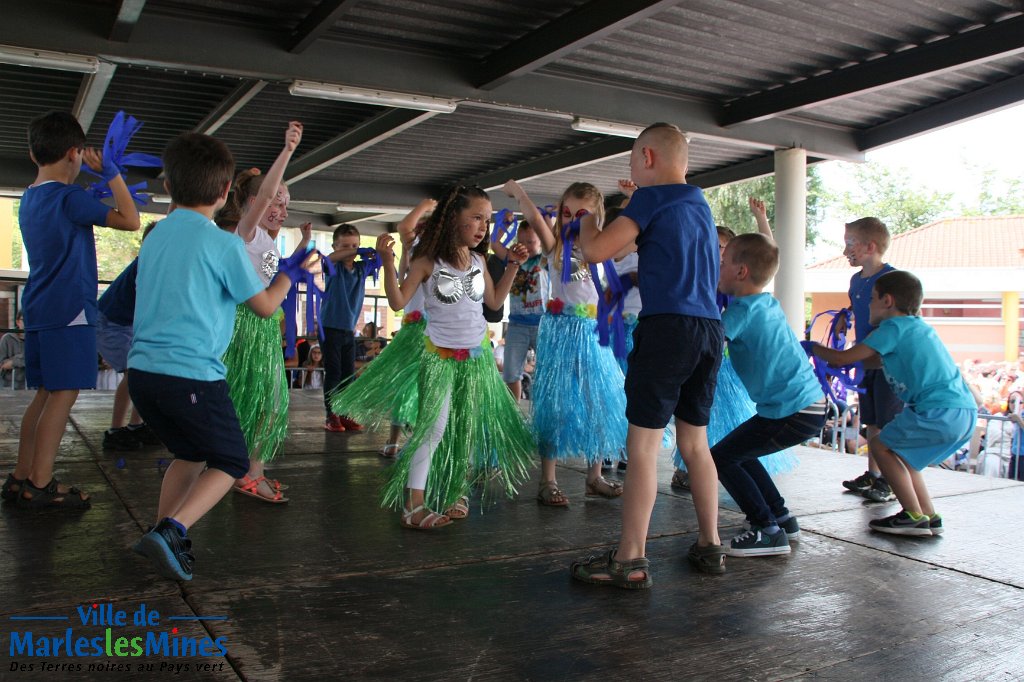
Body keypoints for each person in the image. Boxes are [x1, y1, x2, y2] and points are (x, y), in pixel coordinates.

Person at [127, 131, 310, 580]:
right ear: (227, 191)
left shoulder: (155, 237)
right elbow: (265, 307)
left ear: (168, 186)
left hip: (142, 375)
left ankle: (166, 534)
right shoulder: (224, 244)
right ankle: (172, 530)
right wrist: (289, 277)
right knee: (230, 460)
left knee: (189, 454)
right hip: (190, 375)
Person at [570, 122, 724, 588]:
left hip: (667, 330)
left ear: (648, 158)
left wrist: (588, 217)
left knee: (642, 446)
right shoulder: (697, 203)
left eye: (634, 159)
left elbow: (595, 250)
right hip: (708, 330)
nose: (632, 170)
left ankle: (630, 558)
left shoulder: (651, 200)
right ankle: (710, 543)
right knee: (695, 444)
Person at [369, 185, 535, 529]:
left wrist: (513, 267)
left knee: (464, 428)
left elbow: (492, 303)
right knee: (434, 429)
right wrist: (387, 262)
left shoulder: (477, 260)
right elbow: (399, 302)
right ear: (452, 218)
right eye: (476, 218)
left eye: (486, 220)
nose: (482, 227)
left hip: (476, 361)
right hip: (439, 359)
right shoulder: (427, 261)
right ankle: (414, 505)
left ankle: (456, 491)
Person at [3, 111, 140, 508]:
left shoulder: (29, 198)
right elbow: (131, 221)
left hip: (41, 308)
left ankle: (22, 474)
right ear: (75, 153)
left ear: (33, 154)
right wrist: (112, 174)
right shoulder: (69, 198)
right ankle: (41, 484)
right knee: (62, 397)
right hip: (71, 311)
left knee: (45, 395)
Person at [808, 271, 976, 536]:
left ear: (887, 301)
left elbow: (845, 358)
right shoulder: (917, 327)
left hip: (935, 409)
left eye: (872, 298)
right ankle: (928, 514)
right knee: (906, 459)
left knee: (880, 445)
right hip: (962, 411)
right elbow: (869, 361)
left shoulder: (892, 328)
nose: (867, 305)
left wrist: (811, 347)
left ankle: (912, 516)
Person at [503, 179, 627, 506]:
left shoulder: (604, 249)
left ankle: (594, 475)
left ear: (596, 216)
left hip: (592, 333)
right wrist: (519, 194)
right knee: (555, 405)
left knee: (598, 403)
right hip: (559, 331)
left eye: (581, 213)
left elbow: (637, 228)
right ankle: (548, 479)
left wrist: (636, 197)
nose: (572, 219)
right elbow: (533, 217)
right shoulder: (555, 246)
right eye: (567, 212)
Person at [712, 233, 826, 556]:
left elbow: (710, 349)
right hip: (808, 405)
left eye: (723, 263)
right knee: (737, 453)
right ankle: (780, 516)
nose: (717, 268)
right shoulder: (767, 303)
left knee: (720, 458)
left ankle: (767, 530)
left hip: (791, 410)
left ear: (741, 272)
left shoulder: (741, 312)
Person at [215, 122, 309, 503]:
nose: (281, 208)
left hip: (264, 327)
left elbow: (279, 273)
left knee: (266, 403)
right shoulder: (246, 231)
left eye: (286, 203)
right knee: (257, 402)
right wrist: (286, 151)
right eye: (275, 200)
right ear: (252, 203)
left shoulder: (267, 240)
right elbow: (266, 190)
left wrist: (303, 244)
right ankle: (246, 472)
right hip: (245, 326)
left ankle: (249, 470)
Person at [327, 199, 435, 457]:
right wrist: (425, 206)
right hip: (413, 331)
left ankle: (413, 440)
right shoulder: (414, 258)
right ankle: (392, 439)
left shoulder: (441, 260)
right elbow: (404, 231)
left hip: (433, 332)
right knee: (402, 385)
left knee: (426, 388)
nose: (418, 236)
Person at [838, 217, 904, 503]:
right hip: (866, 363)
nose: (846, 251)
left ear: (871, 246)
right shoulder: (856, 281)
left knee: (888, 423)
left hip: (888, 364)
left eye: (850, 244)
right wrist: (845, 317)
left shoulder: (892, 280)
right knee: (872, 422)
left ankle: (891, 480)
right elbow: (858, 309)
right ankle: (874, 474)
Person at [97, 222, 163, 452]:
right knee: (135, 372)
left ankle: (136, 424)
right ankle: (116, 430)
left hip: (124, 323)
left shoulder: (151, 265)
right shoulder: (146, 267)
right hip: (111, 323)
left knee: (145, 371)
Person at [491, 220, 548, 401]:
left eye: (530, 242)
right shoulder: (513, 257)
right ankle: (513, 412)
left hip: (542, 323)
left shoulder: (544, 258)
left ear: (540, 242)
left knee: (548, 371)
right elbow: (494, 243)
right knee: (510, 373)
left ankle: (542, 410)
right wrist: (505, 224)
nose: (526, 247)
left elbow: (553, 240)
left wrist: (546, 221)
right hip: (517, 323)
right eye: (521, 242)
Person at [321, 224, 367, 433]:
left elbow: (380, 259)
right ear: (336, 247)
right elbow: (328, 259)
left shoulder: (360, 269)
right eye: (346, 247)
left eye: (355, 245)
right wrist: (351, 252)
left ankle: (345, 411)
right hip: (330, 327)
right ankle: (331, 415)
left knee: (349, 374)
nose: (352, 250)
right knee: (334, 372)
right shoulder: (333, 268)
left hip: (349, 329)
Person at [0, 311, 25, 389]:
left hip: (30, 386)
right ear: (17, 322)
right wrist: (23, 359)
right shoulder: (7, 338)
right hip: (8, 385)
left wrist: (13, 362)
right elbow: (2, 364)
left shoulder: (36, 339)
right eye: (24, 320)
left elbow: (35, 360)